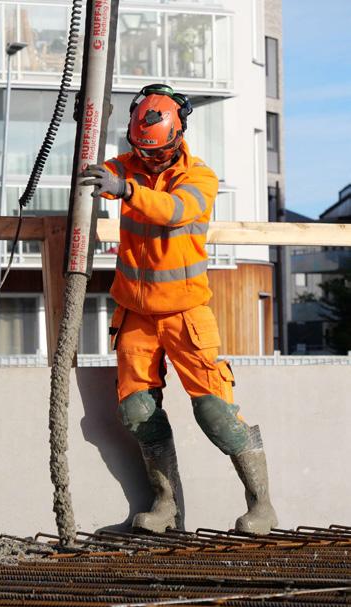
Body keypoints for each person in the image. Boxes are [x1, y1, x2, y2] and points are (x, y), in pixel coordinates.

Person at [80, 84, 278, 535]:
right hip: (136, 313)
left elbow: (172, 210)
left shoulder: (200, 178)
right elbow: (96, 175)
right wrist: (87, 133)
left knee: (216, 414)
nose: (148, 159)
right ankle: (167, 507)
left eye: (157, 152)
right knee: (137, 411)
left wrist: (125, 189)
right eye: (141, 151)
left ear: (177, 138)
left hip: (185, 314)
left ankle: (262, 506)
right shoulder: (128, 165)